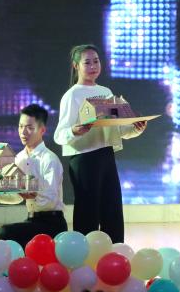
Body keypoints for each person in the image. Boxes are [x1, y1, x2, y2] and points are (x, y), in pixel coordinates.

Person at [54, 45, 146, 243]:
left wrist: (135, 128)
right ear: (76, 66)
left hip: (106, 156)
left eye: (96, 61)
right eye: (87, 62)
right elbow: (59, 135)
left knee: (112, 210)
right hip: (83, 159)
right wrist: (75, 131)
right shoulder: (72, 95)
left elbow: (116, 130)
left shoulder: (106, 92)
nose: (93, 66)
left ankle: (115, 253)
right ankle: (84, 255)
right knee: (87, 212)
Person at [0, 104, 68, 248]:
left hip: (52, 223)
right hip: (32, 220)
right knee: (8, 233)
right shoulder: (19, 158)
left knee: (5, 232)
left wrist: (31, 194)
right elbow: (16, 197)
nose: (23, 132)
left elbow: (50, 201)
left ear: (42, 130)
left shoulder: (49, 159)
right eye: (20, 126)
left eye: (29, 128)